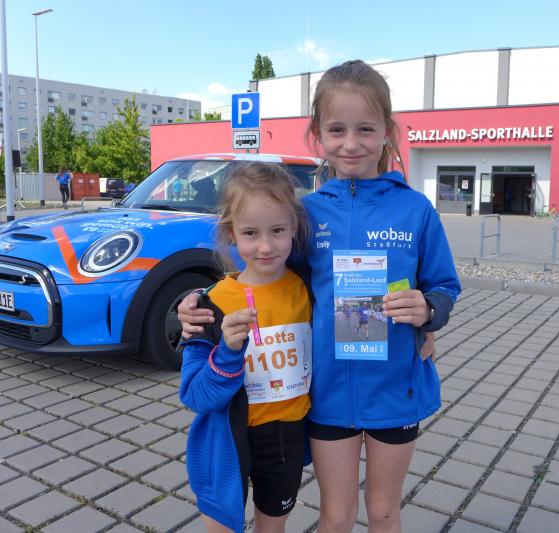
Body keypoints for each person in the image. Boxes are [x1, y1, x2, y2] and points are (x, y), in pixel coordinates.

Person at [179, 59, 460, 533]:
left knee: (384, 511)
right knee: (337, 514)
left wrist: (429, 311)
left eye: (366, 129)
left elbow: (444, 286)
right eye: (337, 130)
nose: (351, 143)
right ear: (318, 134)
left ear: (387, 132)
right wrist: (198, 301)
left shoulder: (415, 209)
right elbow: (264, 272)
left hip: (396, 390)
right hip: (327, 393)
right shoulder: (306, 213)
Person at [179, 162, 312, 533]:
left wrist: (424, 328)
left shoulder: (307, 289)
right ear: (231, 234)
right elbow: (194, 395)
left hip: (286, 437)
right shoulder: (210, 305)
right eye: (251, 233)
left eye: (277, 230)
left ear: (294, 227)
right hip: (224, 441)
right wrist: (227, 352)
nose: (266, 246)